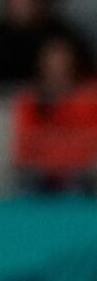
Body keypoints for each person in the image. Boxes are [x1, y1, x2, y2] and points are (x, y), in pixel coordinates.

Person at [13, 34, 97, 194]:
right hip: (39, 172)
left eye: (62, 59)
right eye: (52, 59)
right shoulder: (30, 98)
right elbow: (25, 143)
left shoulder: (90, 96)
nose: (57, 65)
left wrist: (60, 150)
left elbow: (90, 141)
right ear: (41, 63)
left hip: (79, 172)